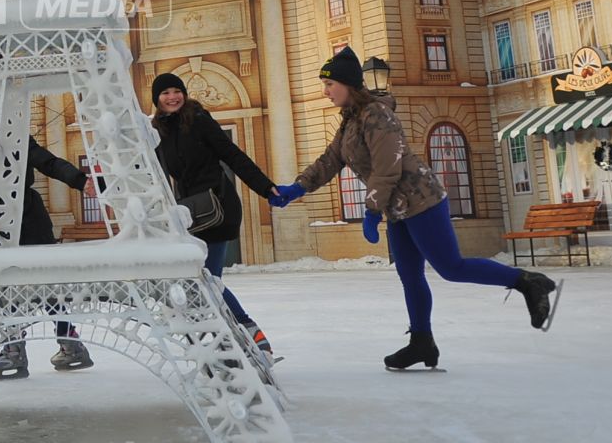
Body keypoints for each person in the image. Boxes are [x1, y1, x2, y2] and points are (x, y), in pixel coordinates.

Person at [269, 46, 560, 370]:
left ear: (348, 84)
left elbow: (387, 167)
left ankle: (526, 281)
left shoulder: (377, 115)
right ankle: (422, 341)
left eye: (329, 85)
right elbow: (330, 161)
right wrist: (297, 188)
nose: (325, 92)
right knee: (409, 275)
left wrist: (371, 210)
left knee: (451, 267)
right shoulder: (350, 122)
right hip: (399, 209)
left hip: (422, 200)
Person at [150, 71, 282, 360]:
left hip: (218, 208)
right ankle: (229, 342)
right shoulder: (159, 131)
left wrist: (265, 187)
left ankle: (250, 335)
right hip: (190, 214)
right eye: (166, 93)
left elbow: (232, 155)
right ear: (157, 100)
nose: (173, 97)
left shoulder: (198, 120)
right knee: (201, 281)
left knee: (207, 280)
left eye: (177, 91)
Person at [0, 138, 96, 379]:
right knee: (7, 287)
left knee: (44, 285)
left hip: (27, 218)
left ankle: (56, 341)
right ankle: (21, 345)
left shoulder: (14, 134)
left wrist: (80, 180)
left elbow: (47, 162)